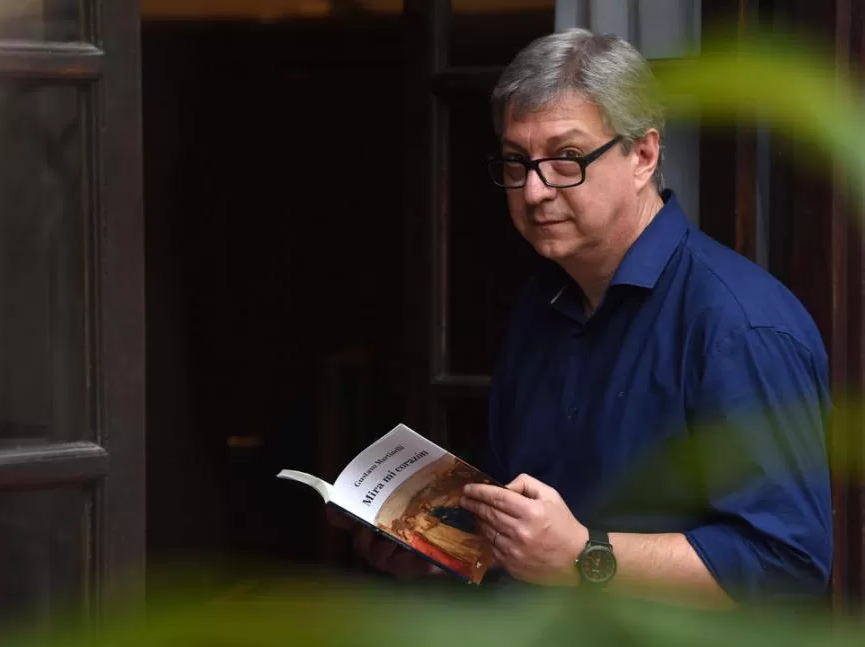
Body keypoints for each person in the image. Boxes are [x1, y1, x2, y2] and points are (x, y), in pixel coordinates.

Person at [339, 28, 833, 607]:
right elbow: (529, 531)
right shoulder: (542, 302)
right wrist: (444, 547)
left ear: (643, 155)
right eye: (517, 161)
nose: (534, 191)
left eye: (568, 159)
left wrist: (583, 556)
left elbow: (788, 566)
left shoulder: (739, 326)